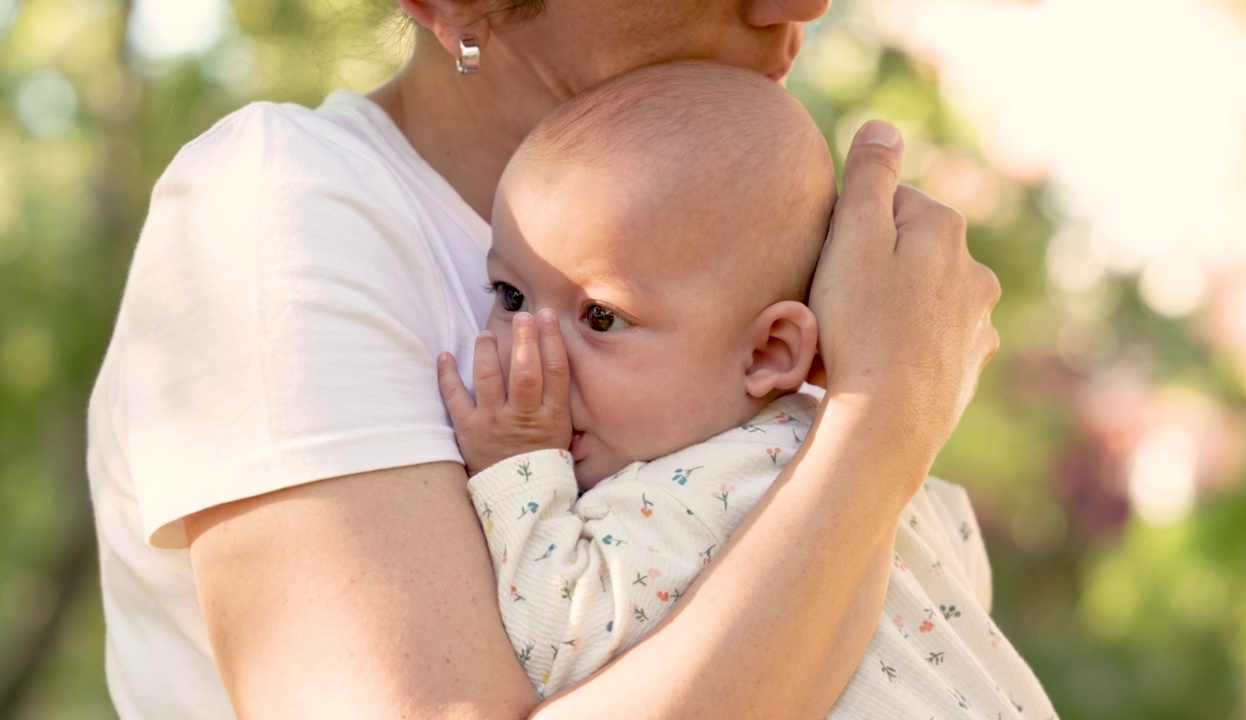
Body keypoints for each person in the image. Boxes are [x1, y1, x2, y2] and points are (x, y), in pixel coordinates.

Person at [86, 1, 1002, 717]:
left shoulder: (743, 257)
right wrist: (883, 417)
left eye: (601, 315)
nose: (800, 3)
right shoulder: (279, 205)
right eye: (512, 297)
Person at [437, 61, 1054, 717]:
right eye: (510, 295)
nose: (527, 350)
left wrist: (517, 466)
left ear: (768, 351)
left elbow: (554, 643)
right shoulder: (872, 469)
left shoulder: (680, 495)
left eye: (602, 317)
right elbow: (963, 567)